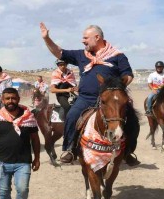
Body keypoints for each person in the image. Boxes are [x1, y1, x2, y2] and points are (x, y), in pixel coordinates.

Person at [39, 22, 140, 166]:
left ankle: (128, 151)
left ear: (97, 37)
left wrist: (116, 89)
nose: (83, 40)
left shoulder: (118, 56)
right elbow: (59, 52)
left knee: (133, 120)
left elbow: (128, 75)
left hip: (111, 100)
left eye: (86, 38)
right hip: (86, 98)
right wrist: (46, 38)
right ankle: (69, 149)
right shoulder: (82, 55)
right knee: (72, 115)